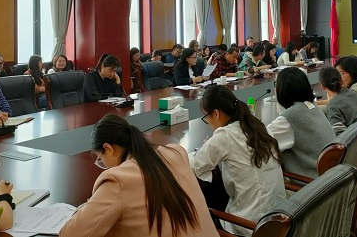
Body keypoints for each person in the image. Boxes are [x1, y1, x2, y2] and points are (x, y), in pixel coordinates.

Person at [60, 114, 217, 237]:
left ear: (108, 148)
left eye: (101, 159)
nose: (104, 165)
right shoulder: (176, 152)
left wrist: (85, 207)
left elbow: (70, 234)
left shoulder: (117, 180)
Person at [189, 85, 285, 236]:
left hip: (251, 226)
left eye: (206, 117)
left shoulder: (225, 136)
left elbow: (194, 165)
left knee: (204, 205)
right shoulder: (259, 126)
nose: (207, 121)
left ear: (216, 113)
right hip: (279, 220)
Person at [267, 67, 336, 179]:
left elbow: (260, 142)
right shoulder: (311, 106)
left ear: (282, 89)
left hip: (312, 183)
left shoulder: (290, 118)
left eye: (276, 84)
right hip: (330, 178)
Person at [319, 67, 357, 135]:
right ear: (341, 80)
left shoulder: (333, 105)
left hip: (356, 138)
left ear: (323, 87)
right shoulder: (353, 92)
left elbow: (339, 135)